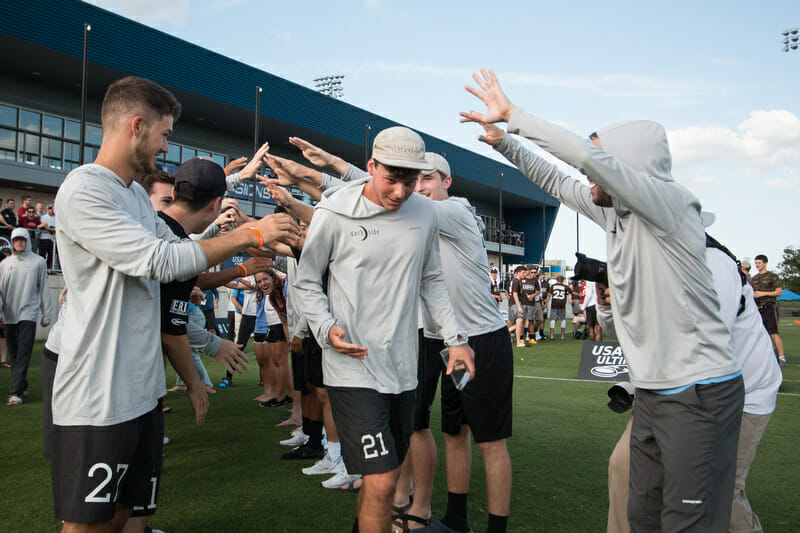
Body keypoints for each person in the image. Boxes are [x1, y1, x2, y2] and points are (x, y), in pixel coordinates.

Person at [462, 69, 742, 532]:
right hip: (653, 391)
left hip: (699, 393)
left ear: (626, 167)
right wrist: (504, 143)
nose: (586, 175)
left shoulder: (669, 205)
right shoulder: (616, 210)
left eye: (598, 164)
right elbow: (556, 180)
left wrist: (515, 117)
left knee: (688, 523)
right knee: (642, 516)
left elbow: (586, 162)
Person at [50, 75, 298, 532]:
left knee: (127, 514)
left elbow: (183, 249)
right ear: (137, 126)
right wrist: (251, 236)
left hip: (141, 391)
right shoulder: (86, 189)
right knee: (88, 524)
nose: (166, 147)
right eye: (165, 134)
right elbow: (160, 260)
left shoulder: (133, 197)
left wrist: (253, 232)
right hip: (97, 393)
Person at [294, 126, 475, 533]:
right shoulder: (333, 211)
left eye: (409, 182)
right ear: (370, 167)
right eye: (390, 180)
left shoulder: (426, 212)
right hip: (351, 366)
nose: (399, 192)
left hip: (403, 367)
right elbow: (306, 281)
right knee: (383, 482)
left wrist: (456, 340)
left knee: (383, 477)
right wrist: (326, 329)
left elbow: (431, 279)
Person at [604, 223, 783, 533]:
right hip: (674, 390)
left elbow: (706, 347)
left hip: (738, 394)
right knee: (624, 466)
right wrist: (610, 301)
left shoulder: (712, 264)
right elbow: (627, 334)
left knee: (718, 495)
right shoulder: (648, 266)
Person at [0, 228, 52, 405]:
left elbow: (44, 288)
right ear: (12, 242)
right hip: (8, 315)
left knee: (24, 352)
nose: (19, 243)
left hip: (29, 313)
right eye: (16, 240)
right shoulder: (4, 264)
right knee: (14, 354)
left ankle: (15, 392)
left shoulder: (38, 262)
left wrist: (47, 314)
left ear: (27, 241)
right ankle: (21, 384)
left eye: (22, 240)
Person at [751, 254, 786, 366]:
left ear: (765, 263)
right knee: (760, 333)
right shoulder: (754, 278)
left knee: (773, 333)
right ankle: (764, 357)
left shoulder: (772, 276)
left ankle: (782, 357)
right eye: (756, 263)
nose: (757, 265)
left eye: (759, 263)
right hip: (758, 309)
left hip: (770, 307)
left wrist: (763, 293)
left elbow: (779, 292)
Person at [549, 275, 568, 340]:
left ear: (557, 280)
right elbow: (571, 292)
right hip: (562, 304)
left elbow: (549, 295)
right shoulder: (565, 286)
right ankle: (562, 336)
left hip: (554, 304)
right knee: (563, 319)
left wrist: (546, 302)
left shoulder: (553, 286)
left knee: (553, 319)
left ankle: (551, 336)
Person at [38, 204, 56, 269]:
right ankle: (41, 268)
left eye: (52, 209)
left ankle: (49, 268)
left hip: (52, 238)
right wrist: (51, 229)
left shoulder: (55, 218)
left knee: (51, 254)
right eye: (50, 209)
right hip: (44, 238)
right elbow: (43, 227)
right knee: (43, 254)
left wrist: (50, 229)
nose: (51, 210)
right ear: (47, 209)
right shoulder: (44, 217)